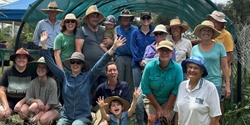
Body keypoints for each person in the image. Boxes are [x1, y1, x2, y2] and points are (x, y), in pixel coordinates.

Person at [40, 31, 126, 125]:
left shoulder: (88, 77)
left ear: (82, 65)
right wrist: (44, 43)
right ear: (70, 64)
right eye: (73, 62)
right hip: (66, 116)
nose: (75, 64)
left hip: (83, 117)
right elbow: (50, 63)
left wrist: (113, 48)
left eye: (78, 62)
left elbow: (100, 64)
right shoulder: (64, 76)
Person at [141, 40, 183, 125]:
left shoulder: (177, 68)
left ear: (172, 52)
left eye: (167, 50)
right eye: (162, 50)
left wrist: (166, 109)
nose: (165, 53)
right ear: (157, 51)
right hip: (151, 98)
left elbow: (176, 90)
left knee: (165, 120)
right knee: (151, 119)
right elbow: (145, 89)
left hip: (168, 99)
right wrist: (158, 108)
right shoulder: (149, 67)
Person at [174, 56, 221, 125]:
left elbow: (216, 116)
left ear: (202, 71)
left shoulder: (210, 88)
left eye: (196, 68)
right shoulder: (182, 85)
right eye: (190, 67)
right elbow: (177, 112)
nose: (192, 70)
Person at [206, 10, 234, 124]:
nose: (213, 22)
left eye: (215, 21)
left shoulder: (226, 35)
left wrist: (220, 72)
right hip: (209, 73)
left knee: (218, 101)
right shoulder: (211, 34)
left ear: (221, 23)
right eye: (212, 20)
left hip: (220, 73)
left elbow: (228, 57)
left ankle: (219, 121)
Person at [18, 57, 61, 125]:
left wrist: (41, 113)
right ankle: (29, 121)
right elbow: (28, 99)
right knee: (23, 111)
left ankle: (51, 121)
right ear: (36, 69)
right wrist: (37, 101)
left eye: (43, 67)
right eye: (39, 67)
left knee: (43, 120)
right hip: (38, 107)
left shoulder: (52, 82)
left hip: (52, 108)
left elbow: (51, 102)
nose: (41, 69)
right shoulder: (32, 83)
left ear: (47, 70)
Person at [75, 5, 106, 93]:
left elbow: (109, 42)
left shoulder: (103, 31)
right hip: (89, 68)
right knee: (92, 92)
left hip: (103, 68)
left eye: (97, 16)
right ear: (88, 18)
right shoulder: (82, 31)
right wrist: (81, 66)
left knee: (104, 90)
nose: (95, 18)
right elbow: (78, 50)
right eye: (92, 16)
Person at [0, 48, 34, 121]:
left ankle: (27, 122)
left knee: (25, 112)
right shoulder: (7, 71)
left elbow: (33, 92)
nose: (21, 59)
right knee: (1, 114)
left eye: (24, 57)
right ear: (15, 59)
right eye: (19, 57)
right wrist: (6, 107)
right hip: (9, 100)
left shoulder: (31, 72)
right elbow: (2, 90)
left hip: (25, 101)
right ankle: (8, 120)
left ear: (27, 60)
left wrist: (20, 103)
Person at [130, 11, 155, 88]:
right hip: (137, 64)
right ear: (141, 19)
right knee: (137, 86)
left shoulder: (154, 32)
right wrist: (140, 60)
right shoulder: (135, 33)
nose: (146, 20)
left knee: (150, 86)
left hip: (151, 64)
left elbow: (156, 46)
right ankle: (137, 100)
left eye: (148, 18)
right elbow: (133, 47)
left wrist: (148, 61)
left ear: (150, 19)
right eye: (144, 18)